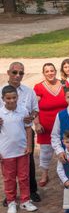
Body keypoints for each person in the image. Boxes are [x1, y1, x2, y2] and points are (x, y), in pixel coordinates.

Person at [2, 62, 40, 203]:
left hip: (26, 131)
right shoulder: (1, 91)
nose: (18, 76)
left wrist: (32, 116)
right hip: (7, 135)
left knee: (28, 163)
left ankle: (31, 191)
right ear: (8, 72)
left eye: (21, 73)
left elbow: (36, 109)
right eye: (15, 72)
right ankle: (10, 195)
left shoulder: (29, 91)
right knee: (8, 168)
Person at [0, 85, 36, 213]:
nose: (11, 101)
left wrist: (29, 146)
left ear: (17, 97)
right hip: (6, 152)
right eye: (8, 98)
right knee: (9, 178)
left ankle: (25, 200)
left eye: (14, 97)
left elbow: (28, 129)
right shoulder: (0, 113)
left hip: (22, 150)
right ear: (3, 98)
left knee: (24, 177)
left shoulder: (23, 111)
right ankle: (11, 201)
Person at [34, 63, 67, 187]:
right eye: (47, 71)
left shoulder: (64, 84)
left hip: (64, 125)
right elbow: (34, 107)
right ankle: (44, 174)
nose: (50, 73)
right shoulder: (39, 87)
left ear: (56, 71)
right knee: (46, 151)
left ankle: (64, 173)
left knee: (64, 149)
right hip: (46, 126)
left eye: (52, 70)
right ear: (44, 73)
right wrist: (36, 123)